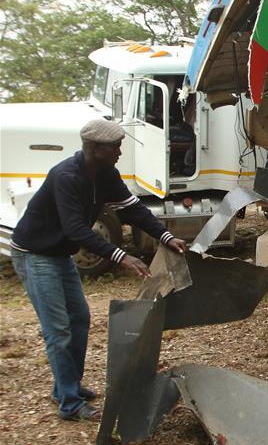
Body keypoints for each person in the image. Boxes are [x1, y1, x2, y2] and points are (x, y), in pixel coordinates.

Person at [9, 119, 188, 421]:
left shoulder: (106, 173)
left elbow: (133, 209)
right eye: (115, 147)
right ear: (94, 148)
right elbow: (76, 229)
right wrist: (122, 256)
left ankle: (67, 387)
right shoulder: (66, 176)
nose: (120, 151)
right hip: (36, 253)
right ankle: (69, 403)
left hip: (58, 253)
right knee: (59, 330)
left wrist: (166, 236)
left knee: (79, 319)